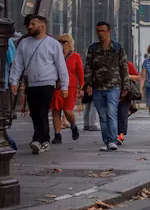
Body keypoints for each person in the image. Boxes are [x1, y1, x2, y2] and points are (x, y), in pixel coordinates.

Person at [8, 14, 69, 153]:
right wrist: (14, 81)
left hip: (47, 83)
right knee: (34, 112)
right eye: (29, 24)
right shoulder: (24, 43)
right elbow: (18, 64)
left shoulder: (53, 44)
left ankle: (41, 139)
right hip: (31, 84)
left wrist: (64, 86)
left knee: (42, 111)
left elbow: (61, 66)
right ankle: (40, 138)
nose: (30, 27)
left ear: (42, 26)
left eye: (33, 24)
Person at [83, 21, 131, 151]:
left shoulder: (117, 48)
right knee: (102, 116)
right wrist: (87, 84)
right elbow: (88, 67)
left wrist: (125, 86)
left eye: (103, 31)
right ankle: (107, 140)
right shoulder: (93, 48)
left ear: (109, 32)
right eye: (98, 31)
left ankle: (113, 140)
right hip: (97, 87)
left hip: (114, 86)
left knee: (111, 113)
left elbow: (124, 67)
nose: (100, 34)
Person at [52, 34, 84, 143]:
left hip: (71, 86)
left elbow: (80, 72)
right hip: (56, 86)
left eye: (64, 42)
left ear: (70, 43)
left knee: (67, 109)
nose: (61, 44)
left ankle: (74, 126)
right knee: (56, 110)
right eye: (59, 41)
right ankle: (57, 135)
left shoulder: (75, 56)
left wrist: (82, 87)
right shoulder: (55, 55)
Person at [116, 58, 139, 144]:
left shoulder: (127, 64)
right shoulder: (107, 64)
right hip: (111, 92)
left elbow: (137, 77)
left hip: (125, 94)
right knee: (111, 114)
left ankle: (121, 135)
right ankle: (112, 134)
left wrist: (128, 76)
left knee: (123, 114)